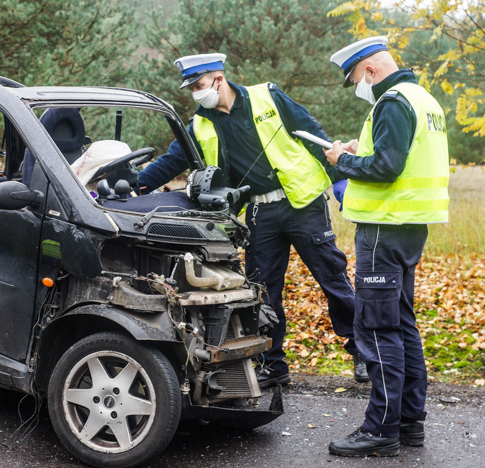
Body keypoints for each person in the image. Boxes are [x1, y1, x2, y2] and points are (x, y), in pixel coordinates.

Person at [137, 53, 368, 388]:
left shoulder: (268, 95)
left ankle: (362, 350)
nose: (196, 94)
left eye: (199, 85)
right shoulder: (200, 124)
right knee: (263, 293)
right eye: (191, 89)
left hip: (302, 204)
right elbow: (173, 160)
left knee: (332, 279)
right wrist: (136, 186)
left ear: (219, 78)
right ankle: (272, 365)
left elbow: (312, 133)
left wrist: (339, 178)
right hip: (260, 213)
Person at [324, 36, 449, 457]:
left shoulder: (392, 101)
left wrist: (341, 159)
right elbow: (399, 156)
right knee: (402, 326)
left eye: (358, 79)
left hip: (384, 230)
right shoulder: (422, 99)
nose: (361, 87)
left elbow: (387, 168)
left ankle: (380, 429)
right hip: (409, 228)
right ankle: (410, 422)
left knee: (376, 329)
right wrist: (366, 152)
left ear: (371, 71)